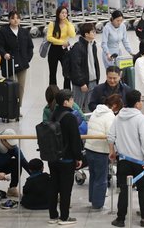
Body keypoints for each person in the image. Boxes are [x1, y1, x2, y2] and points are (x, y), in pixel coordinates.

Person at [108, 89, 144, 227]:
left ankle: (120, 219)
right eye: (141, 100)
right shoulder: (141, 118)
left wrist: (112, 152)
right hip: (139, 161)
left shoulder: (118, 117)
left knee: (124, 190)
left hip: (124, 160)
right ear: (137, 103)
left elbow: (110, 136)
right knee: (143, 189)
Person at [47, 89, 84, 225]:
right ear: (66, 102)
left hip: (52, 157)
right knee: (65, 189)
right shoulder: (69, 117)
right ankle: (64, 217)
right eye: (72, 100)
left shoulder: (53, 114)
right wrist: (78, 157)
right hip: (66, 158)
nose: (73, 102)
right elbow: (75, 139)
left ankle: (52, 216)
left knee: (54, 187)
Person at [0, 10, 34, 111]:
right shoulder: (3, 32)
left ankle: (17, 108)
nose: (15, 20)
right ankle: (10, 107)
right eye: (13, 18)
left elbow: (30, 47)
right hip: (9, 63)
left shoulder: (24, 32)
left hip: (22, 64)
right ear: (9, 20)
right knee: (11, 86)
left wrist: (27, 59)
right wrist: (4, 54)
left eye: (17, 18)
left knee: (20, 87)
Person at [85, 93, 115, 210]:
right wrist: (112, 151)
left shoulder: (95, 112)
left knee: (93, 175)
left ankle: (93, 199)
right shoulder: (110, 116)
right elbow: (110, 136)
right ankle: (98, 203)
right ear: (114, 106)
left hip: (89, 148)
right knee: (101, 178)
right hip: (100, 151)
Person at [68, 23, 100, 112]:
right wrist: (81, 83)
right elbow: (75, 67)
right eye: (92, 31)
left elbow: (94, 63)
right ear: (86, 34)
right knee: (77, 106)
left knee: (89, 107)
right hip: (81, 83)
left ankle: (88, 125)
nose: (95, 33)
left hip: (93, 80)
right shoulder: (78, 47)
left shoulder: (93, 45)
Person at [46, 6, 76, 89]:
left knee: (67, 72)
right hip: (54, 50)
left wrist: (68, 23)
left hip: (64, 51)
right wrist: (62, 42)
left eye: (66, 13)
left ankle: (67, 92)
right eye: (62, 13)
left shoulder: (68, 24)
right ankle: (53, 92)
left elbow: (72, 35)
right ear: (58, 13)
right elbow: (49, 38)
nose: (64, 15)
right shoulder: (52, 24)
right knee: (52, 73)